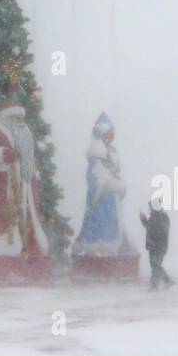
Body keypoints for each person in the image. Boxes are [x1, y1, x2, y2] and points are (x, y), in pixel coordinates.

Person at [0, 103, 52, 284]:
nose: (20, 122)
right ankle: (5, 253)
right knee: (4, 216)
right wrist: (3, 153)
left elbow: (28, 157)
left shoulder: (25, 134)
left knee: (28, 219)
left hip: (26, 182)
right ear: (8, 118)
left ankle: (29, 255)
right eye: (16, 118)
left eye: (22, 118)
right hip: (7, 181)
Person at [71, 112, 137, 279]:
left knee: (114, 225)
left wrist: (118, 185)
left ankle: (112, 252)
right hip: (101, 199)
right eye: (108, 134)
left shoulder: (111, 151)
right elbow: (95, 177)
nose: (110, 137)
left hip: (111, 199)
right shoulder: (97, 153)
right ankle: (99, 255)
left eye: (111, 134)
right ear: (102, 134)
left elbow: (115, 173)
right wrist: (109, 185)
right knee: (100, 227)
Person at [139, 196, 174, 290]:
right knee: (154, 265)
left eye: (151, 206)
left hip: (159, 245)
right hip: (153, 245)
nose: (150, 208)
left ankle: (154, 285)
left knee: (155, 265)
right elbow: (150, 228)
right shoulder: (154, 217)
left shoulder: (162, 217)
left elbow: (154, 229)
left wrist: (144, 221)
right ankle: (167, 281)